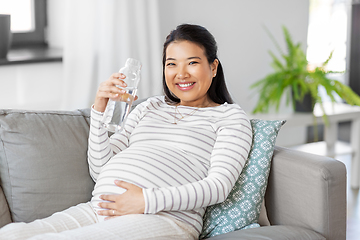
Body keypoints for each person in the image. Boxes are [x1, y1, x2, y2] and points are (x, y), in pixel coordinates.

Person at [0, 24, 252, 240]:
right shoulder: (150, 107)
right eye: (171, 64)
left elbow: (218, 186)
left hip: (164, 218)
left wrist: (146, 200)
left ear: (214, 66)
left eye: (193, 63)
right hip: (99, 209)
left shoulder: (229, 117)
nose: (181, 73)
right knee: (11, 234)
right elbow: (100, 170)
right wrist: (100, 109)